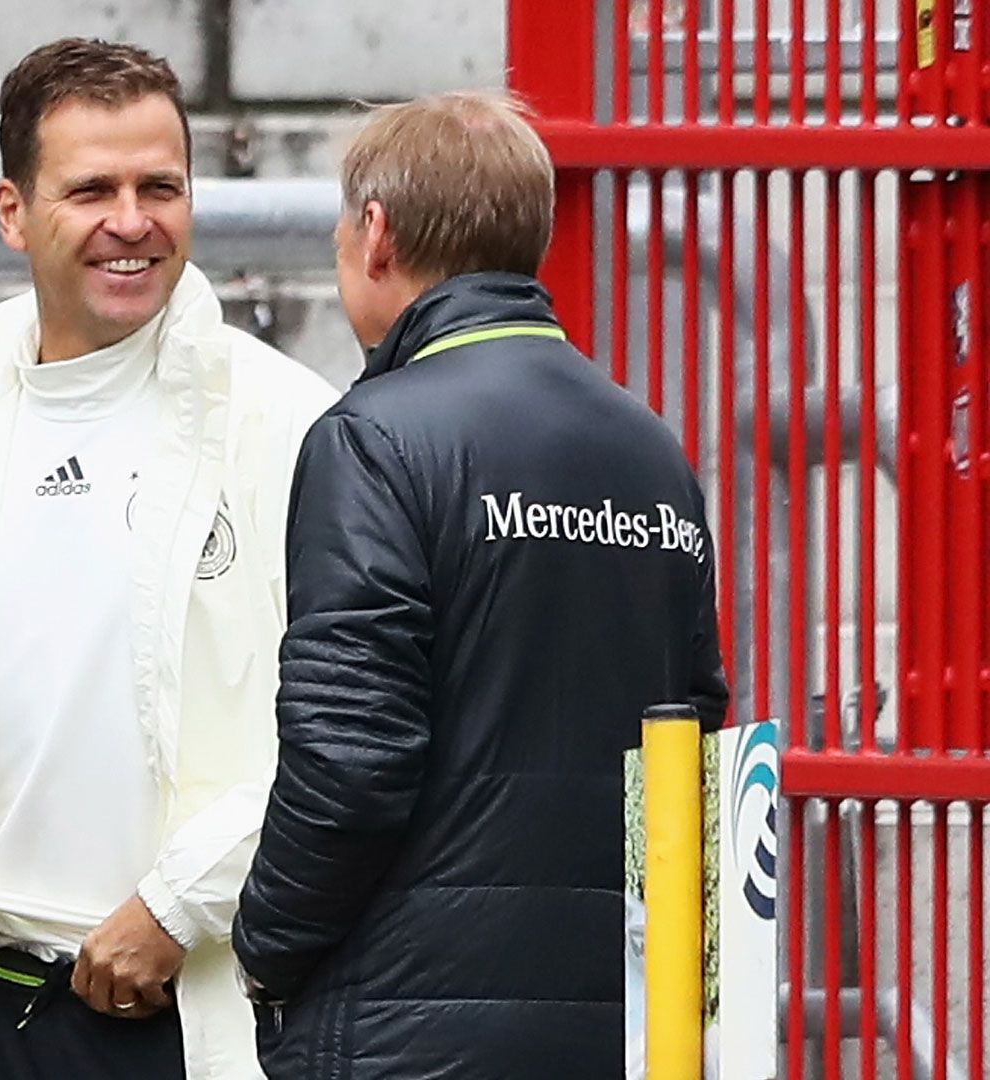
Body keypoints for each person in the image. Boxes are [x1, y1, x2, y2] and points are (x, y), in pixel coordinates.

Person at [0, 37, 338, 1080]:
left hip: (185, 1014)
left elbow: (341, 726)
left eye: (162, 186)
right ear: (11, 212)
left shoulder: (291, 423)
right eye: (92, 188)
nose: (133, 221)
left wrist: (175, 904)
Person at [231, 91, 730, 1078]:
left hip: (403, 1032)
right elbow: (691, 750)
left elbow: (351, 759)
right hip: (617, 1029)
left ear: (375, 235)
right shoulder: (652, 450)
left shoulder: (372, 439)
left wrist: (266, 943)